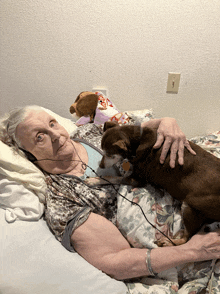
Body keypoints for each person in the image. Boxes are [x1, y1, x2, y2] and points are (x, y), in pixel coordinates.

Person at [2, 105, 220, 282]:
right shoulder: (61, 198)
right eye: (40, 137)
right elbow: (114, 260)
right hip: (196, 239)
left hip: (201, 188)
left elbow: (142, 131)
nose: (57, 135)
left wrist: (167, 122)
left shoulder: (91, 132)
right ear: (27, 155)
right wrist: (194, 251)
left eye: (52, 123)